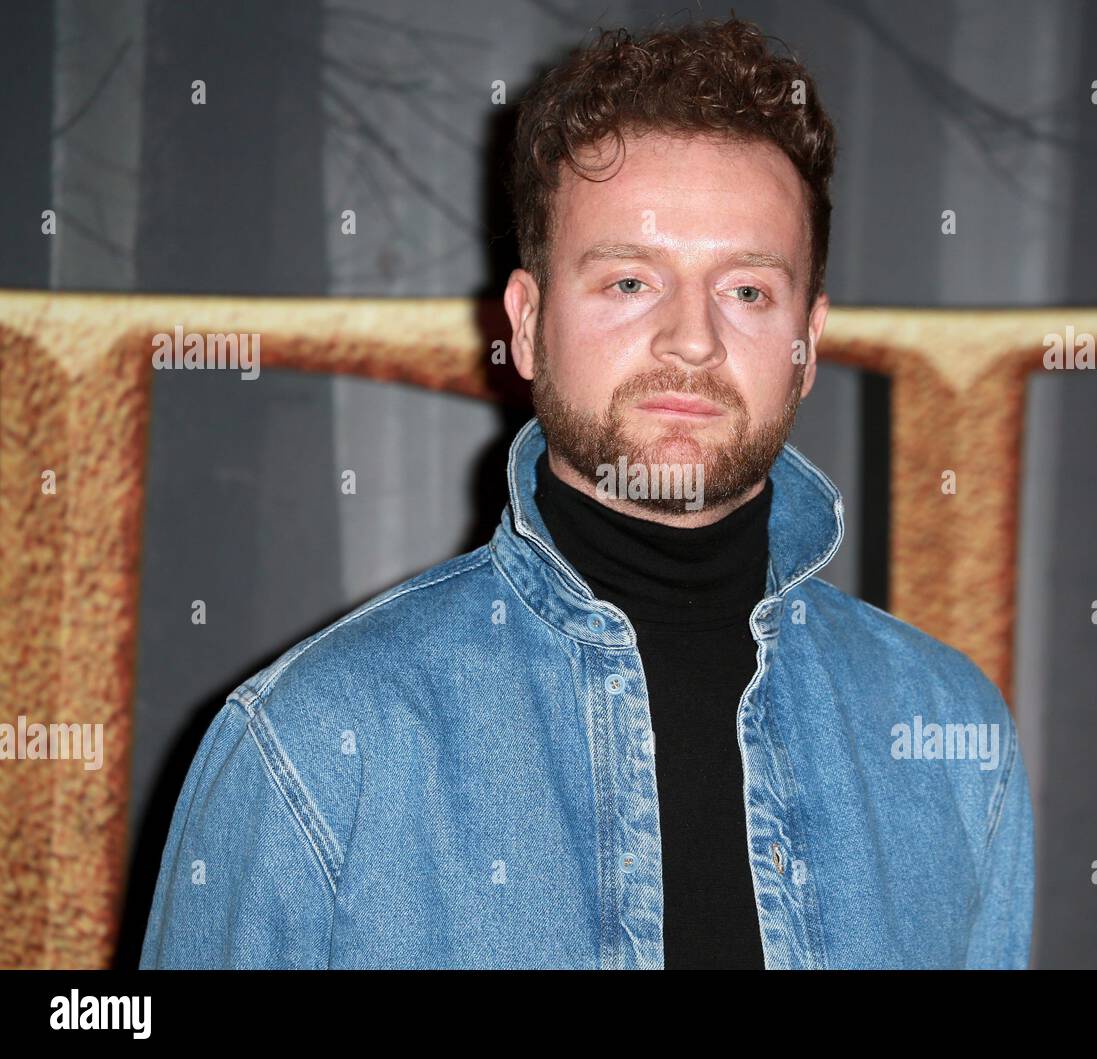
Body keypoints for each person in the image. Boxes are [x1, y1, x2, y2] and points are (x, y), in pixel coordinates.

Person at [140, 16, 1033, 970]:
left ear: (808, 341)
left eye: (747, 292)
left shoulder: (952, 737)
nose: (692, 339)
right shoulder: (313, 743)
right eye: (630, 281)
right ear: (526, 325)